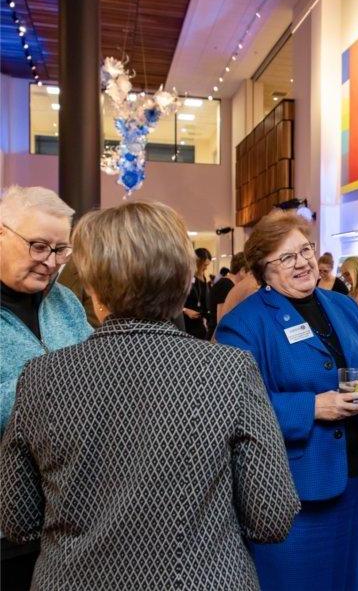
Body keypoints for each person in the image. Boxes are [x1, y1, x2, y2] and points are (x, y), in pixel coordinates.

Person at [0, 201, 300, 591]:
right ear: (185, 282)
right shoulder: (231, 371)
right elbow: (271, 516)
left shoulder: (41, 377)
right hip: (206, 579)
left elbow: (17, 518)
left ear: (93, 289)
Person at [215, 210, 358, 591]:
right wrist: (314, 407)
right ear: (263, 269)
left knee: (346, 579)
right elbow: (238, 407)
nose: (302, 262)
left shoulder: (343, 307)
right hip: (292, 489)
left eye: (306, 250)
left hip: (355, 475)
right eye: (286, 257)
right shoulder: (244, 323)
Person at [0, 185, 92, 590]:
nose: (51, 263)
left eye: (61, 251)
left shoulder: (65, 301)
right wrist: (58, 387)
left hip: (66, 511)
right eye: (39, 247)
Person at [209, 251, 249, 333]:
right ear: (242, 271)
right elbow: (221, 319)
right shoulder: (226, 285)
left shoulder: (229, 284)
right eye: (251, 273)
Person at [183, 247, 212, 339]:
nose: (206, 268)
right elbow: (173, 301)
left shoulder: (204, 279)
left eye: (207, 265)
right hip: (186, 323)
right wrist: (185, 310)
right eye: (204, 265)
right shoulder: (185, 277)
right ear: (197, 263)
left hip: (199, 324)